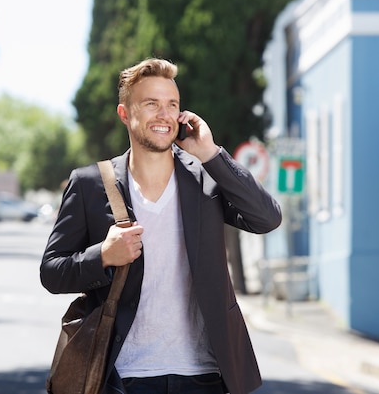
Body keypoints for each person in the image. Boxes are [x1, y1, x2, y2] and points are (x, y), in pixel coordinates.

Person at [41, 58, 282, 394]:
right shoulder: (89, 184)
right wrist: (103, 256)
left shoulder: (206, 179)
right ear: (125, 114)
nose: (164, 114)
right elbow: (52, 271)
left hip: (204, 375)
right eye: (151, 104)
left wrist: (211, 153)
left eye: (172, 105)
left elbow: (267, 218)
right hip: (122, 376)